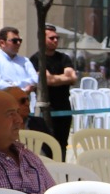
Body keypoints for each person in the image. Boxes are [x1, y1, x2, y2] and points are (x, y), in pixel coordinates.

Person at [32, 24, 79, 152]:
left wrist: (54, 79)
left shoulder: (64, 58)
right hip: (45, 108)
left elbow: (73, 78)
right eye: (51, 38)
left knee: (62, 144)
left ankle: (62, 165)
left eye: (57, 38)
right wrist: (62, 78)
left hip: (64, 107)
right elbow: (47, 81)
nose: (55, 40)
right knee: (47, 146)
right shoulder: (36, 59)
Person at [0, 27, 39, 93]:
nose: (18, 43)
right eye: (14, 41)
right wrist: (23, 89)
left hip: (25, 99)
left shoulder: (25, 61)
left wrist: (12, 84)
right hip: (4, 99)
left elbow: (35, 80)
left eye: (20, 40)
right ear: (2, 43)